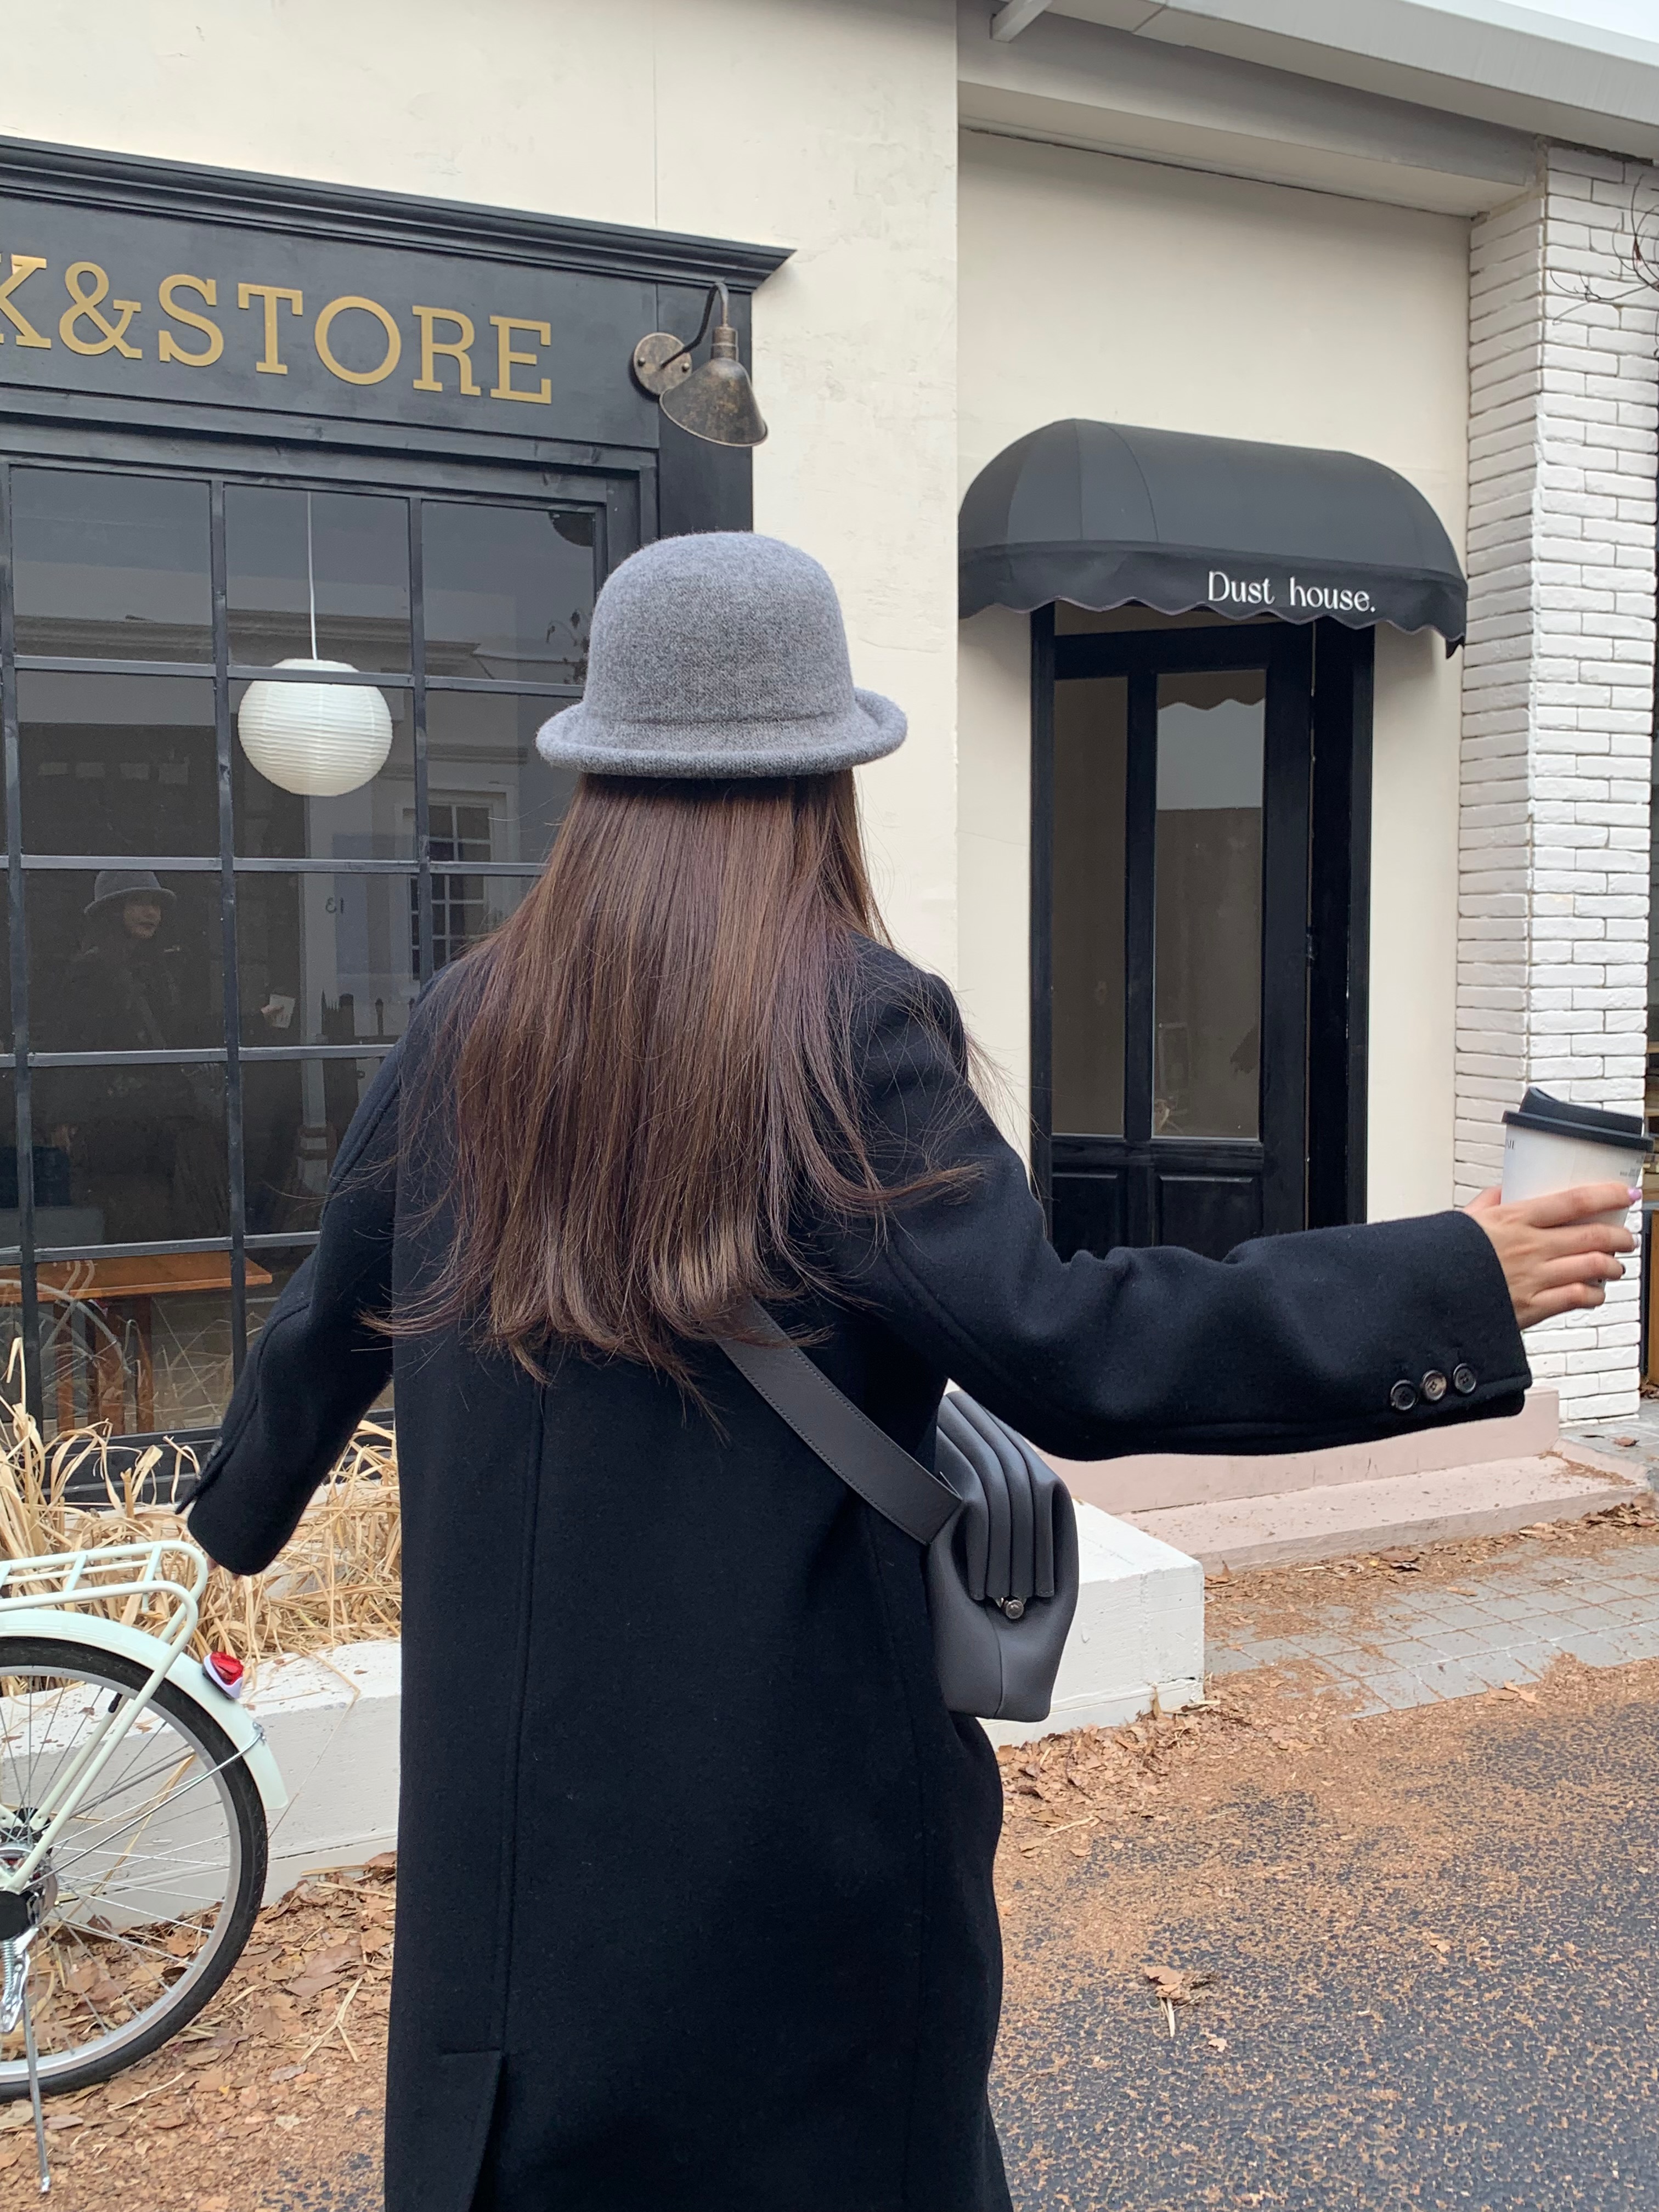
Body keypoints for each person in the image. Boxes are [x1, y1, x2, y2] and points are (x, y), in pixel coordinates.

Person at [185, 535, 1633, 2212]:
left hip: (511, 1842)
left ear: (602, 772)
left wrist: (236, 1516)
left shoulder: (467, 1019)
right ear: (825, 776)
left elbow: (330, 1317)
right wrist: (1449, 1283)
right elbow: (1073, 1348)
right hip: (788, 1798)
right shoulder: (851, 1023)